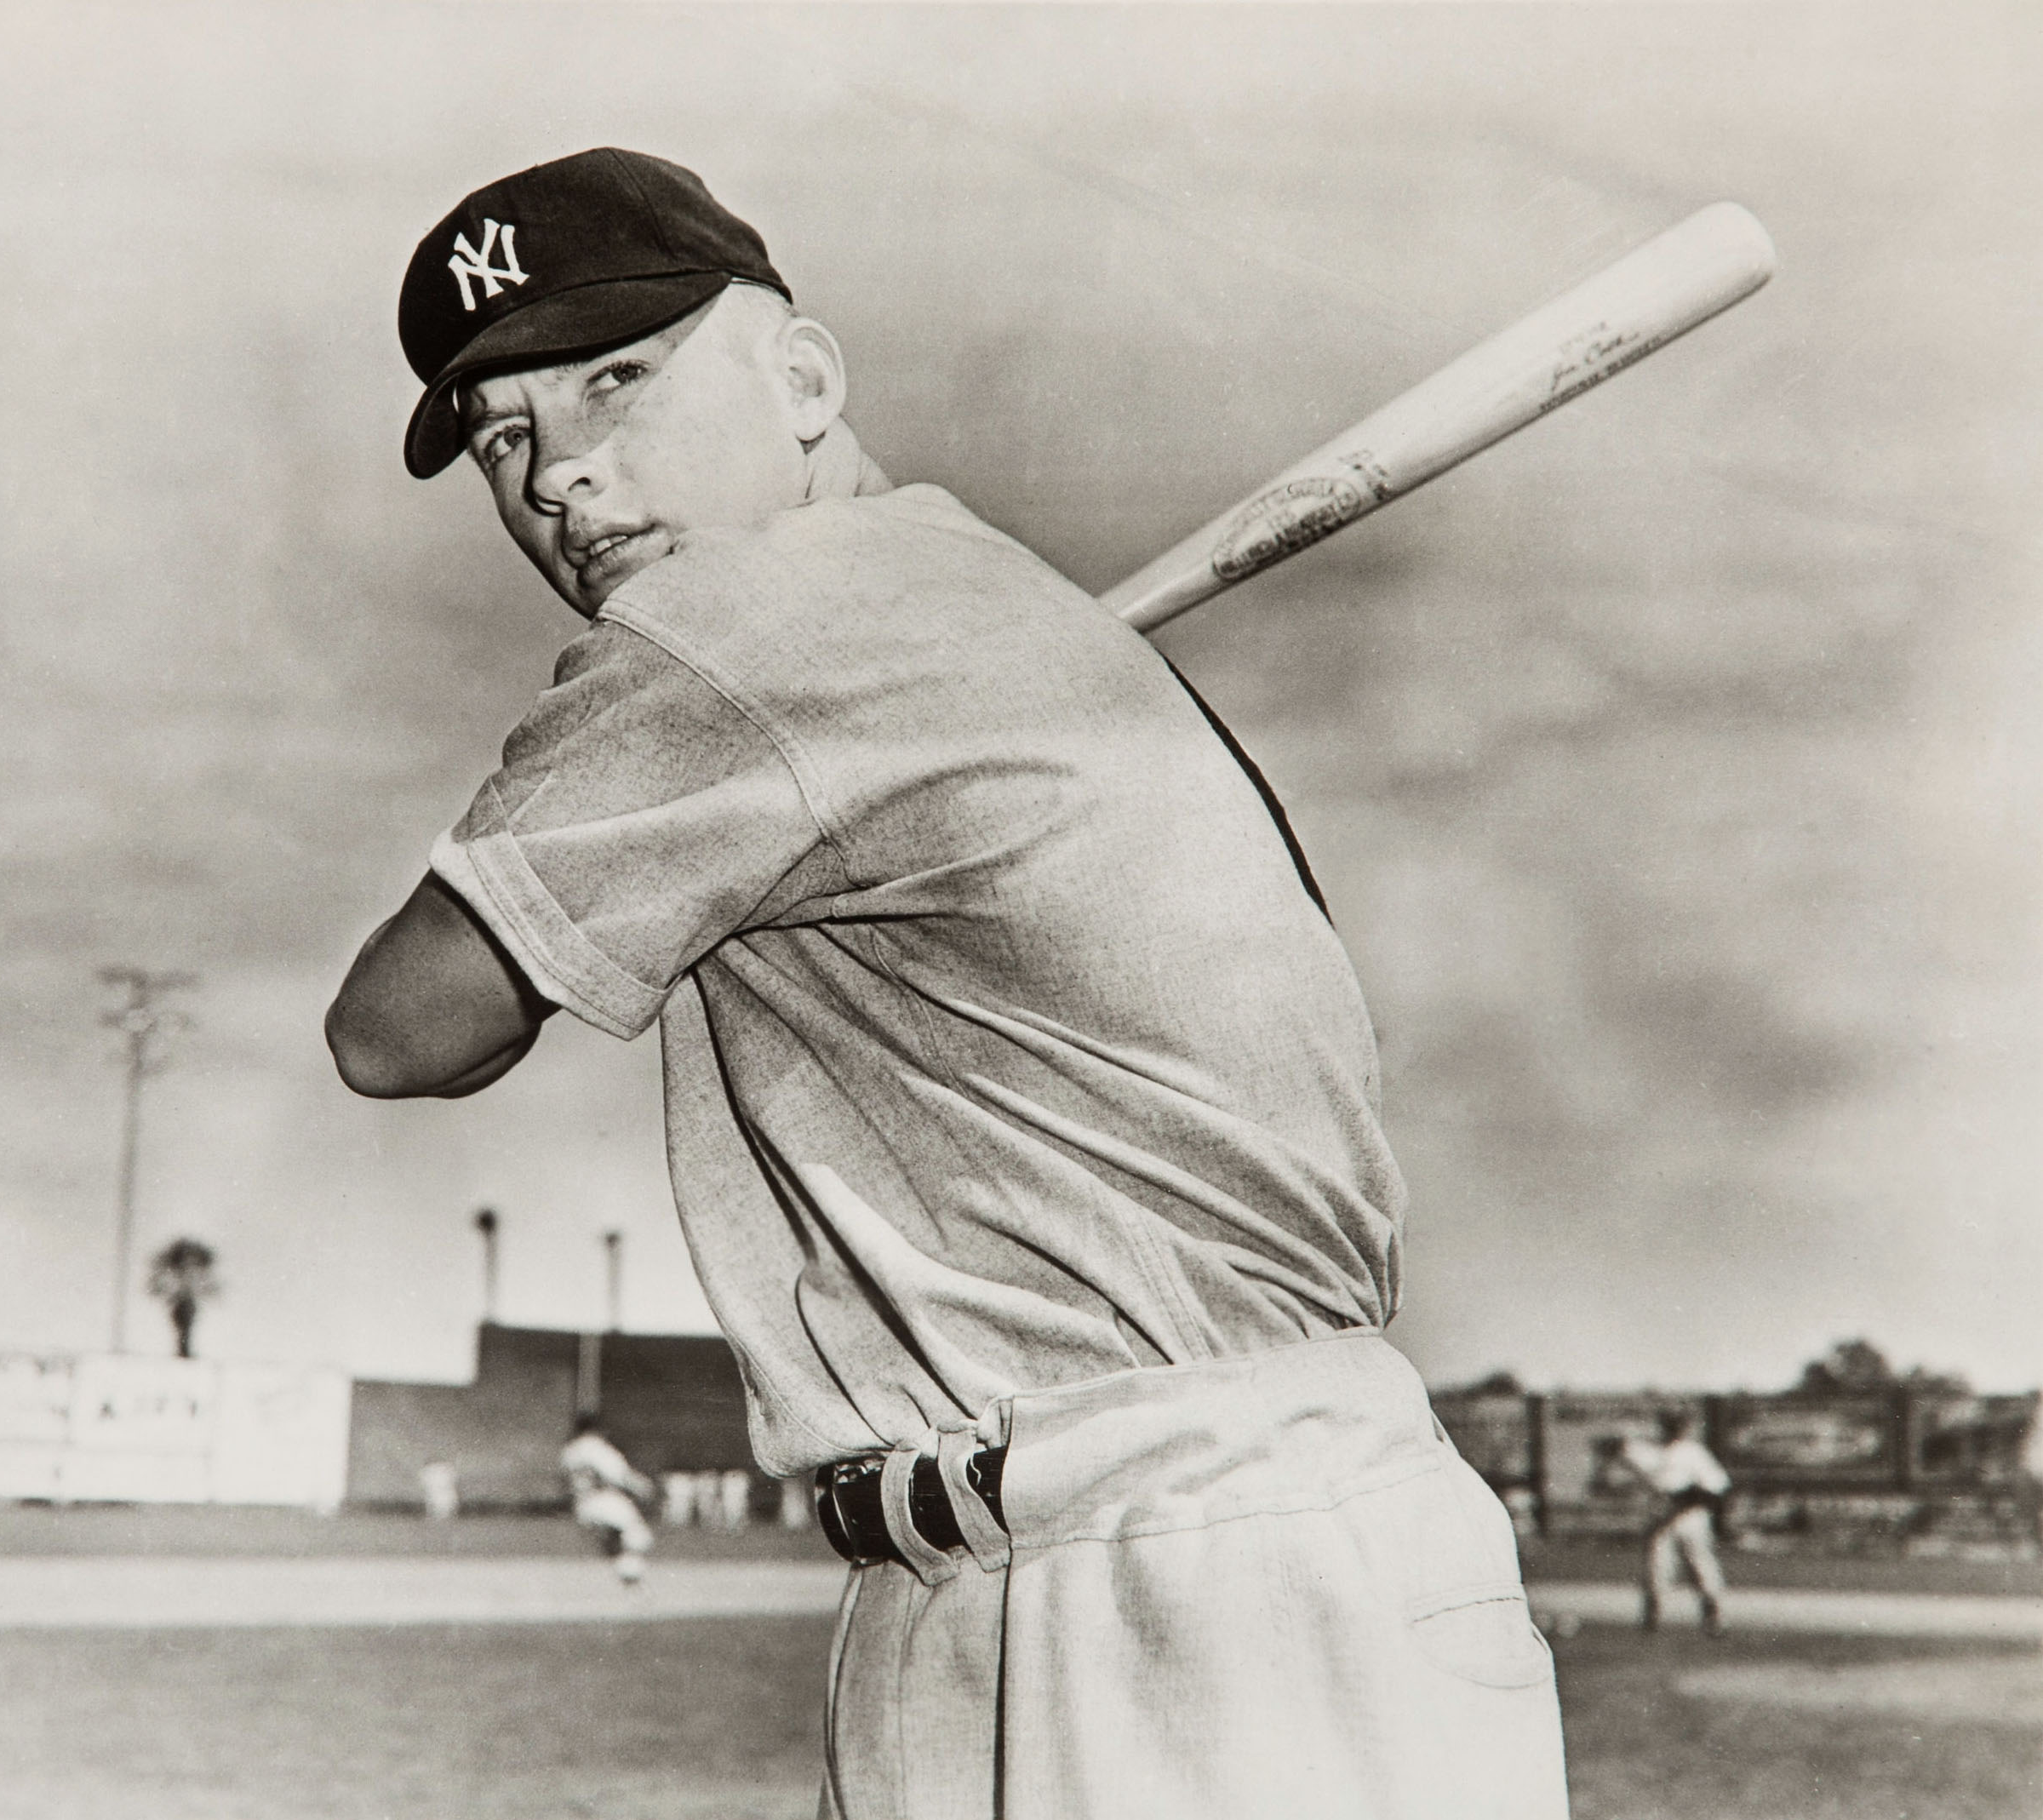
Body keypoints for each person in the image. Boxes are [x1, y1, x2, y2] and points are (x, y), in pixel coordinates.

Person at [328, 146, 1569, 1819]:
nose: (555, 472)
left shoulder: (751, 627)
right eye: (499, 435)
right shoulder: (972, 603)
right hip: (1194, 1544)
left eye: (614, 377)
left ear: (803, 377)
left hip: (1162, 1572)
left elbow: (399, 1030)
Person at [1622, 1410, 1731, 1636]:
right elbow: (1620, 1450)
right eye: (1668, 1423)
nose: (1672, 1428)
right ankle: (1652, 1619)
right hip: (1660, 1517)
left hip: (1689, 1516)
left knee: (1700, 1566)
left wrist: (1678, 1502)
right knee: (1656, 1568)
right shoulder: (1650, 1451)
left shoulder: (1693, 1452)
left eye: (1676, 1423)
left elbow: (1716, 1487)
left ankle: (1713, 1616)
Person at [559, 1412, 656, 1586]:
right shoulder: (597, 1447)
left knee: (614, 1539)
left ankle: (626, 1574)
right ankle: (630, 1576)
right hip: (605, 1500)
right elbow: (619, 1474)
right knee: (639, 1536)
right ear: (594, 1429)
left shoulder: (569, 1451)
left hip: (583, 1505)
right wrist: (642, 1486)